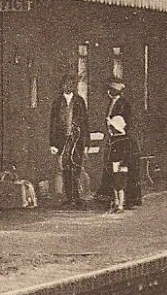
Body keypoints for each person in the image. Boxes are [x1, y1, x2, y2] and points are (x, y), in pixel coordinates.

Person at [96, 80, 142, 209]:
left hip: (122, 140)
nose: (108, 92)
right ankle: (112, 198)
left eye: (111, 90)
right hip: (113, 138)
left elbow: (124, 123)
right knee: (111, 169)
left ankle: (128, 199)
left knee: (123, 170)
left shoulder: (123, 104)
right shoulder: (112, 103)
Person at [49, 75, 88, 208]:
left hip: (77, 140)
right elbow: (53, 124)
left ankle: (76, 198)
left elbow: (85, 123)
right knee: (65, 168)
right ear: (62, 86)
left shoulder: (79, 101)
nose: (68, 86)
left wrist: (86, 142)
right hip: (62, 140)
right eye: (66, 84)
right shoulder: (57, 102)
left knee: (76, 168)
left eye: (71, 84)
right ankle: (69, 197)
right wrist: (53, 143)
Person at [105, 115, 132, 213]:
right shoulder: (113, 139)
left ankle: (121, 205)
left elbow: (126, 153)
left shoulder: (124, 139)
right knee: (114, 185)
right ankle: (116, 203)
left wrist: (123, 163)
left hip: (121, 165)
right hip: (113, 164)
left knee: (120, 185)